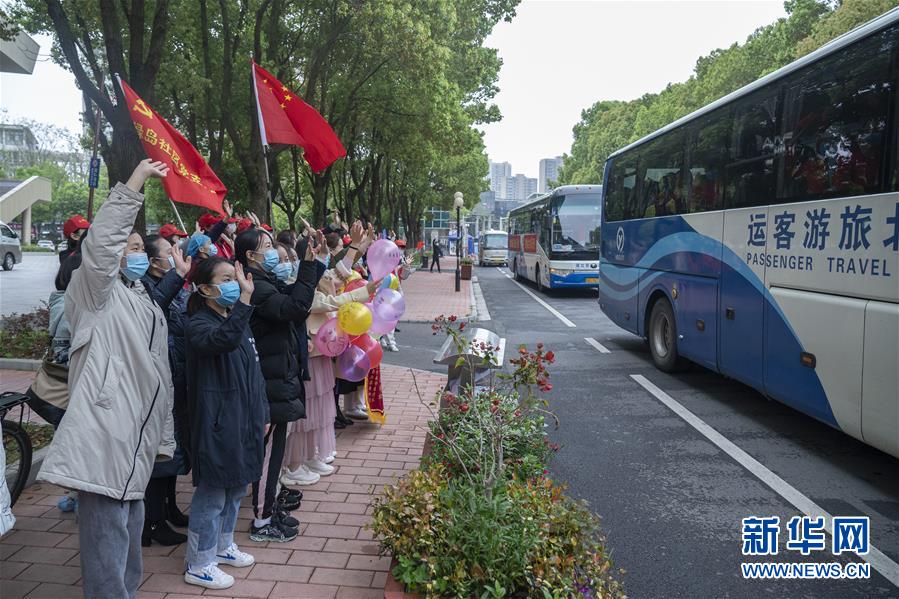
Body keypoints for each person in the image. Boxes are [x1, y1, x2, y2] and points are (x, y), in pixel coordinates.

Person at [37, 159, 176, 599]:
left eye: (139, 246)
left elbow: (159, 377)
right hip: (104, 438)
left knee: (128, 540)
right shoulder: (93, 291)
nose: (136, 252)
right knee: (106, 548)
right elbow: (102, 245)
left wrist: (163, 439)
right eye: (130, 245)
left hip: (132, 439)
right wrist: (135, 182)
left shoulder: (139, 298)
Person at [182, 257, 268, 590]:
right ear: (205, 288)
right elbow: (223, 341)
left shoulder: (236, 319)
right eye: (226, 278)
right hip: (217, 422)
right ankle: (199, 562)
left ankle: (222, 545)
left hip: (244, 419)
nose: (235, 284)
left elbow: (254, 371)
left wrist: (261, 412)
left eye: (236, 278)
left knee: (236, 487)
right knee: (213, 493)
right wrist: (245, 301)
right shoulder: (198, 325)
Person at [235, 227, 325, 543]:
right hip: (269, 381)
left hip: (278, 375)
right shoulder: (256, 288)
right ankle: (262, 520)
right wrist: (308, 265)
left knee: (275, 450)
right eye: (269, 246)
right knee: (268, 453)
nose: (275, 252)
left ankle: (268, 507)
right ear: (250, 255)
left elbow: (295, 298)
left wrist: (315, 262)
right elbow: (295, 308)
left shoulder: (265, 282)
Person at [285, 270, 380, 481]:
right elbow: (329, 302)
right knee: (307, 411)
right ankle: (292, 464)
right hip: (308, 357)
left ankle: (310, 455)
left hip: (321, 356)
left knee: (319, 410)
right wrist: (363, 291)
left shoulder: (319, 285)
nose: (330, 277)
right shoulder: (299, 288)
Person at [141, 234, 193, 546]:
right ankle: (152, 523)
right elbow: (153, 309)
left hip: (176, 375)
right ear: (150, 260)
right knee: (159, 455)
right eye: (167, 252)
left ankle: (169, 508)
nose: (174, 255)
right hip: (158, 381)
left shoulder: (169, 284)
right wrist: (179, 274)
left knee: (173, 449)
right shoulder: (145, 286)